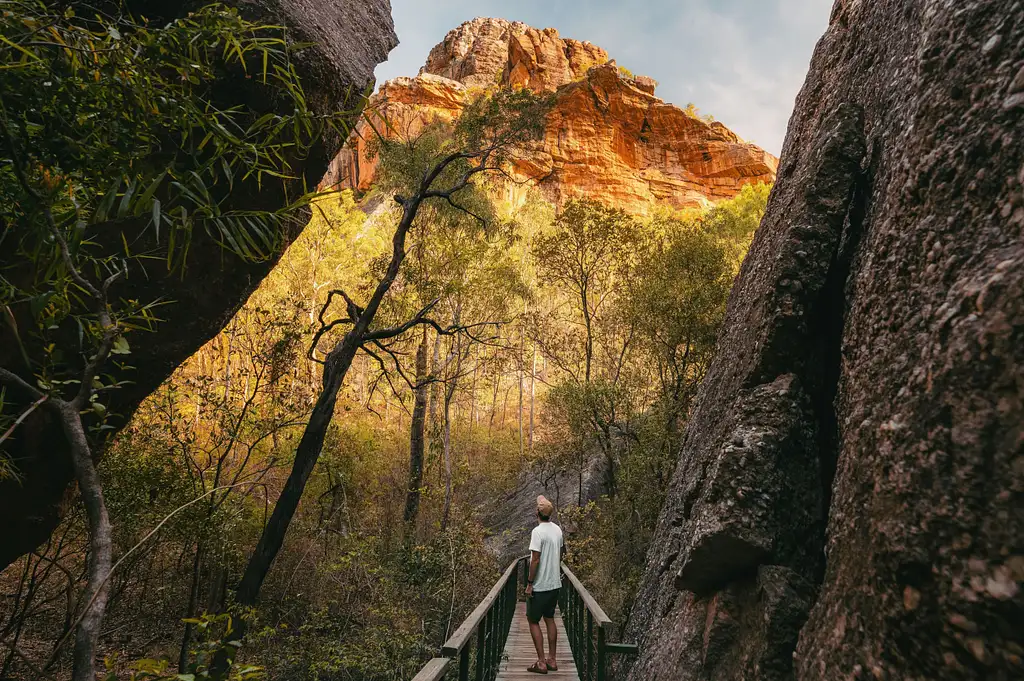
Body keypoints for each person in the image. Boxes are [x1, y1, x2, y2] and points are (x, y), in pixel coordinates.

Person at [525, 495, 564, 674]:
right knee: (550, 619)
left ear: (537, 513)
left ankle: (541, 662)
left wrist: (530, 583)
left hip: (540, 586)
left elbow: (535, 560)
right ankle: (552, 660)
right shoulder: (557, 530)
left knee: (533, 620)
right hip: (555, 584)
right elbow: (559, 554)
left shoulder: (537, 532)